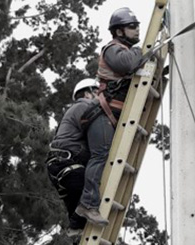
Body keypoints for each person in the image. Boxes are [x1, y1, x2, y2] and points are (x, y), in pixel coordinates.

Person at [75, 7, 143, 226]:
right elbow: (129, 64)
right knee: (100, 156)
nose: (137, 29)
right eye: (132, 26)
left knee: (114, 165)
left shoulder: (125, 49)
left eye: (137, 25)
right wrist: (141, 51)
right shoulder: (113, 49)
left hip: (113, 116)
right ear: (119, 31)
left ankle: (106, 206)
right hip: (103, 115)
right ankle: (88, 205)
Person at [46, 78, 99, 236]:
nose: (100, 97)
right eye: (97, 93)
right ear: (88, 93)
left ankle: (76, 231)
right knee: (90, 200)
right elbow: (102, 125)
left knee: (80, 227)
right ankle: (75, 225)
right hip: (68, 165)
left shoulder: (75, 110)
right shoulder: (84, 106)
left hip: (60, 165)